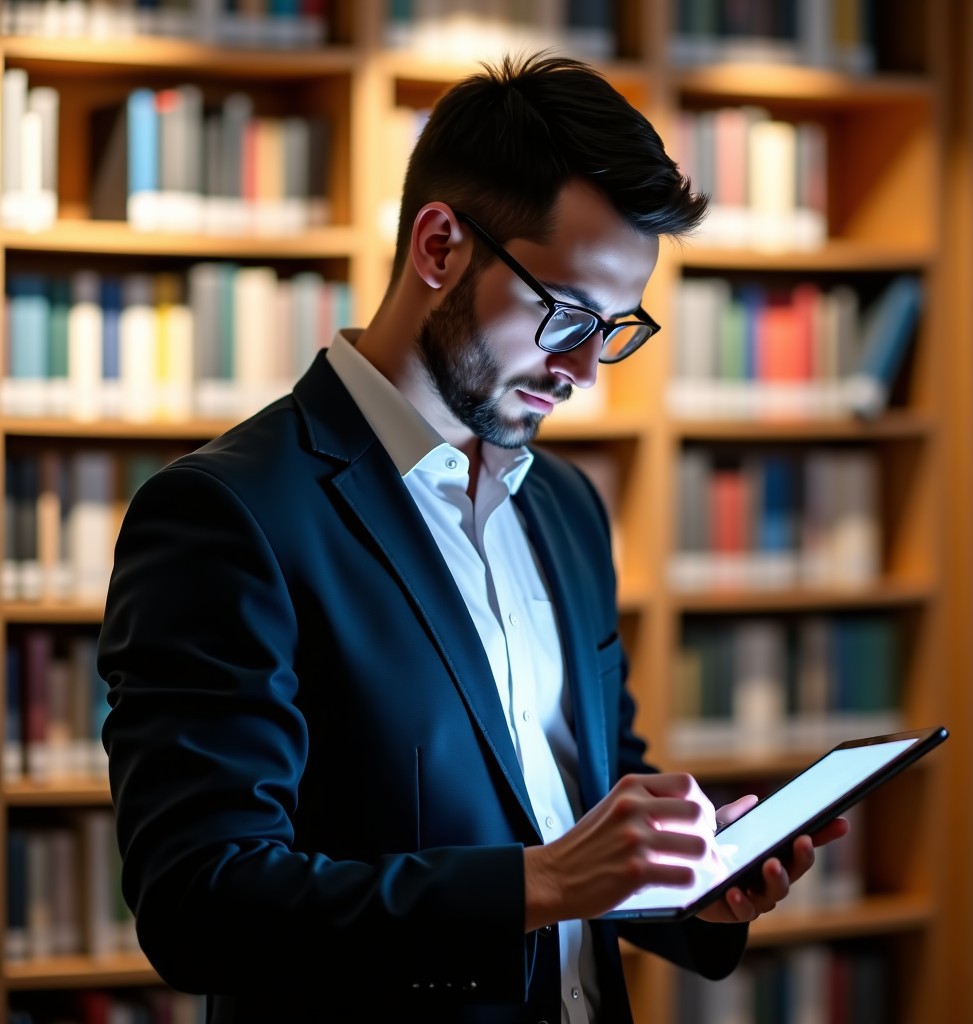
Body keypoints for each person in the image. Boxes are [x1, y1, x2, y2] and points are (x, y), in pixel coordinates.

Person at [98, 53, 847, 1024]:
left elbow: (586, 803)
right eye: (567, 314)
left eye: (616, 327)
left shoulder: (567, 507)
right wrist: (534, 883)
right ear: (441, 246)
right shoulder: (227, 514)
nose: (584, 368)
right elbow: (201, 903)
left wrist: (690, 878)